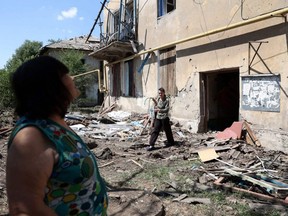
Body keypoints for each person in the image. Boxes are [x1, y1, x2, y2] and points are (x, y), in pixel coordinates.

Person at [6, 56, 108, 215]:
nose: (72, 78)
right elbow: (24, 209)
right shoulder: (31, 137)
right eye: (65, 74)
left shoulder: (56, 122)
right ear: (50, 86)